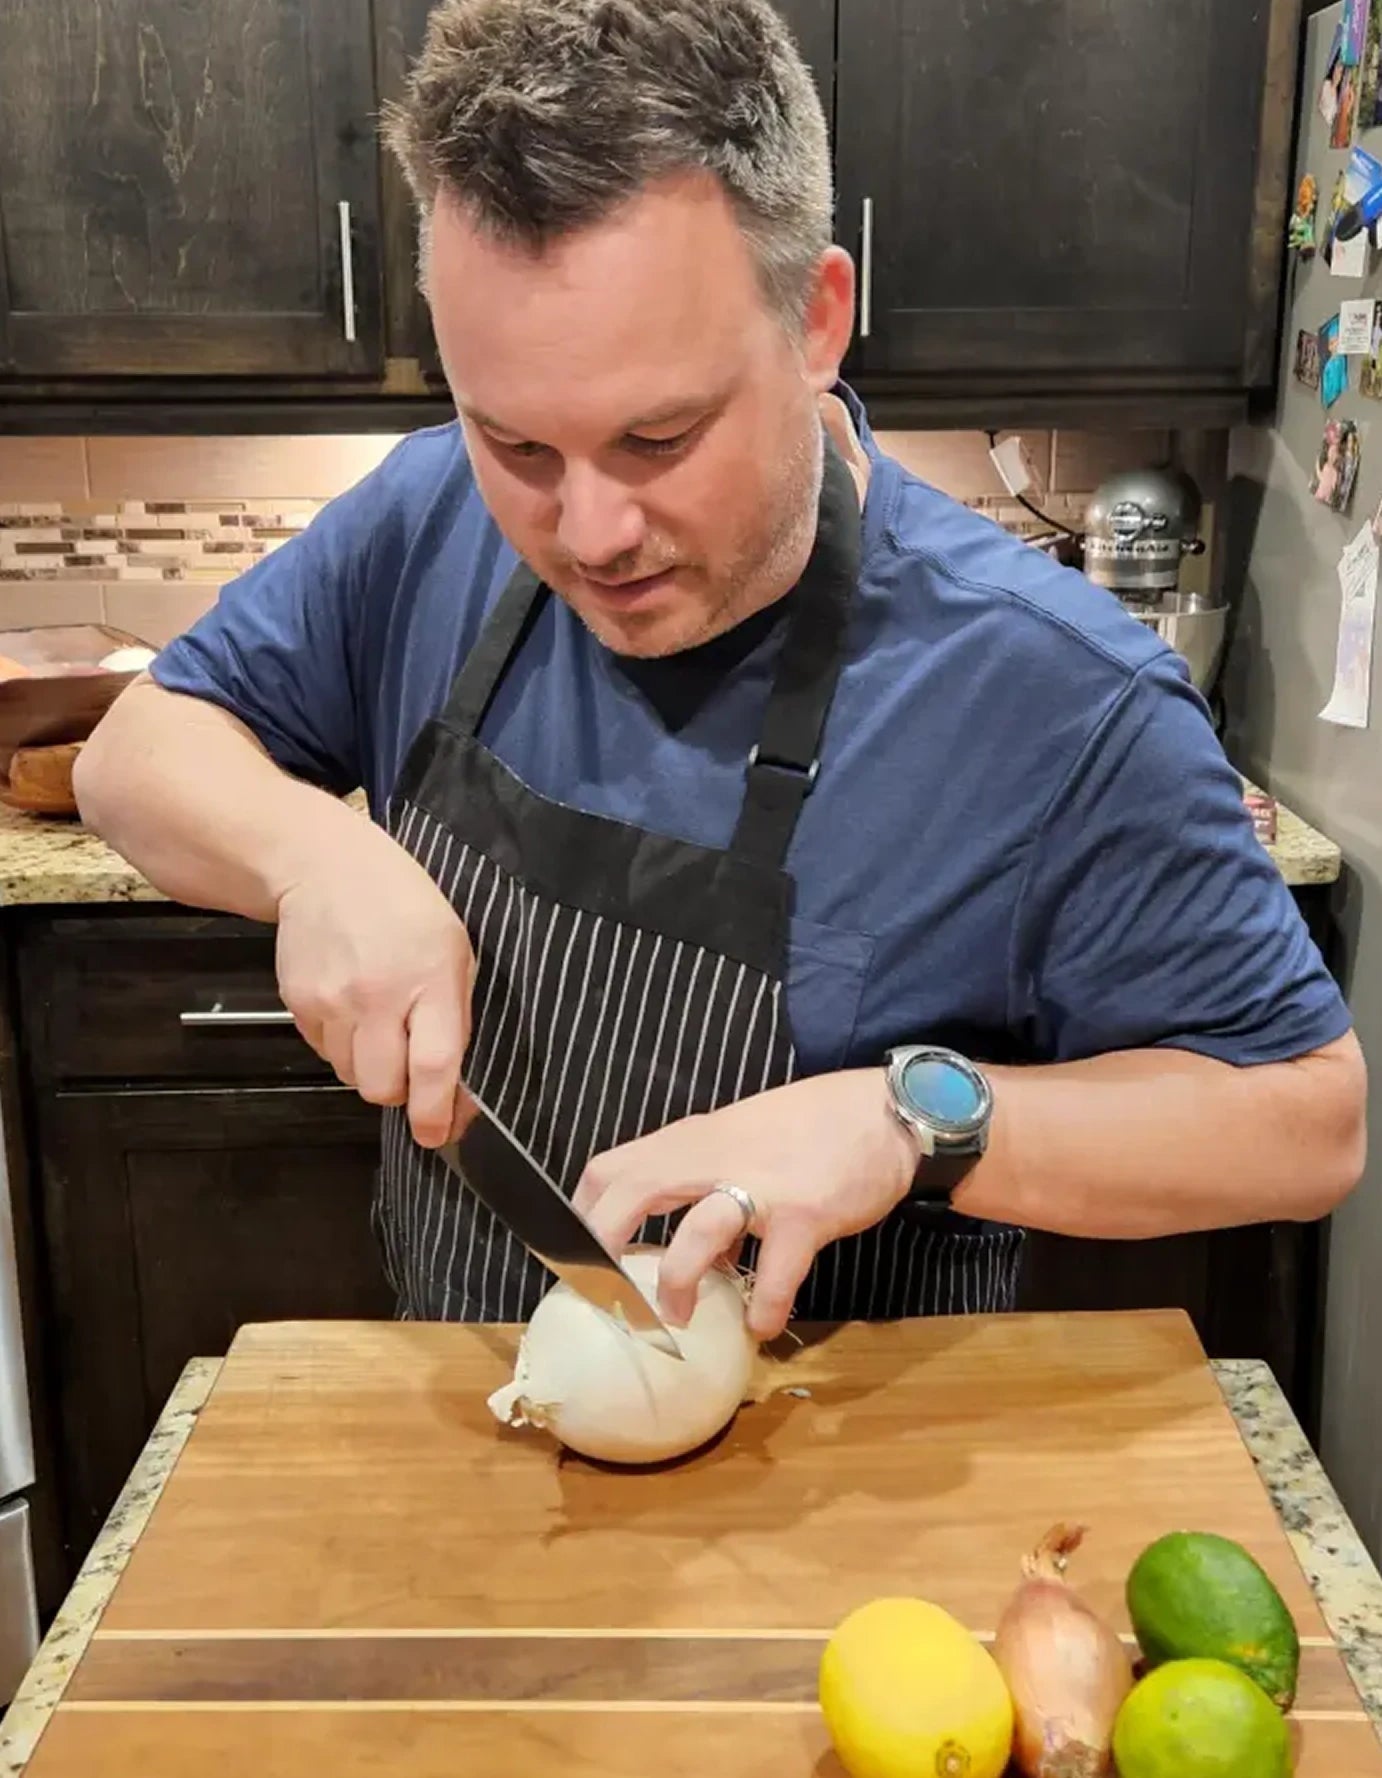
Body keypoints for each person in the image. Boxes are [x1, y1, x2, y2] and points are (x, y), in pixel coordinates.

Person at [75, 0, 1365, 1344]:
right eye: (515, 443)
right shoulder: (425, 517)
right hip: (468, 1444)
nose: (588, 533)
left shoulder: (1056, 697)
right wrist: (313, 861)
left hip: (849, 1503)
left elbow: (1304, 1122)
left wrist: (904, 1118)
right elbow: (133, 752)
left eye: (659, 435)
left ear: (816, 318)